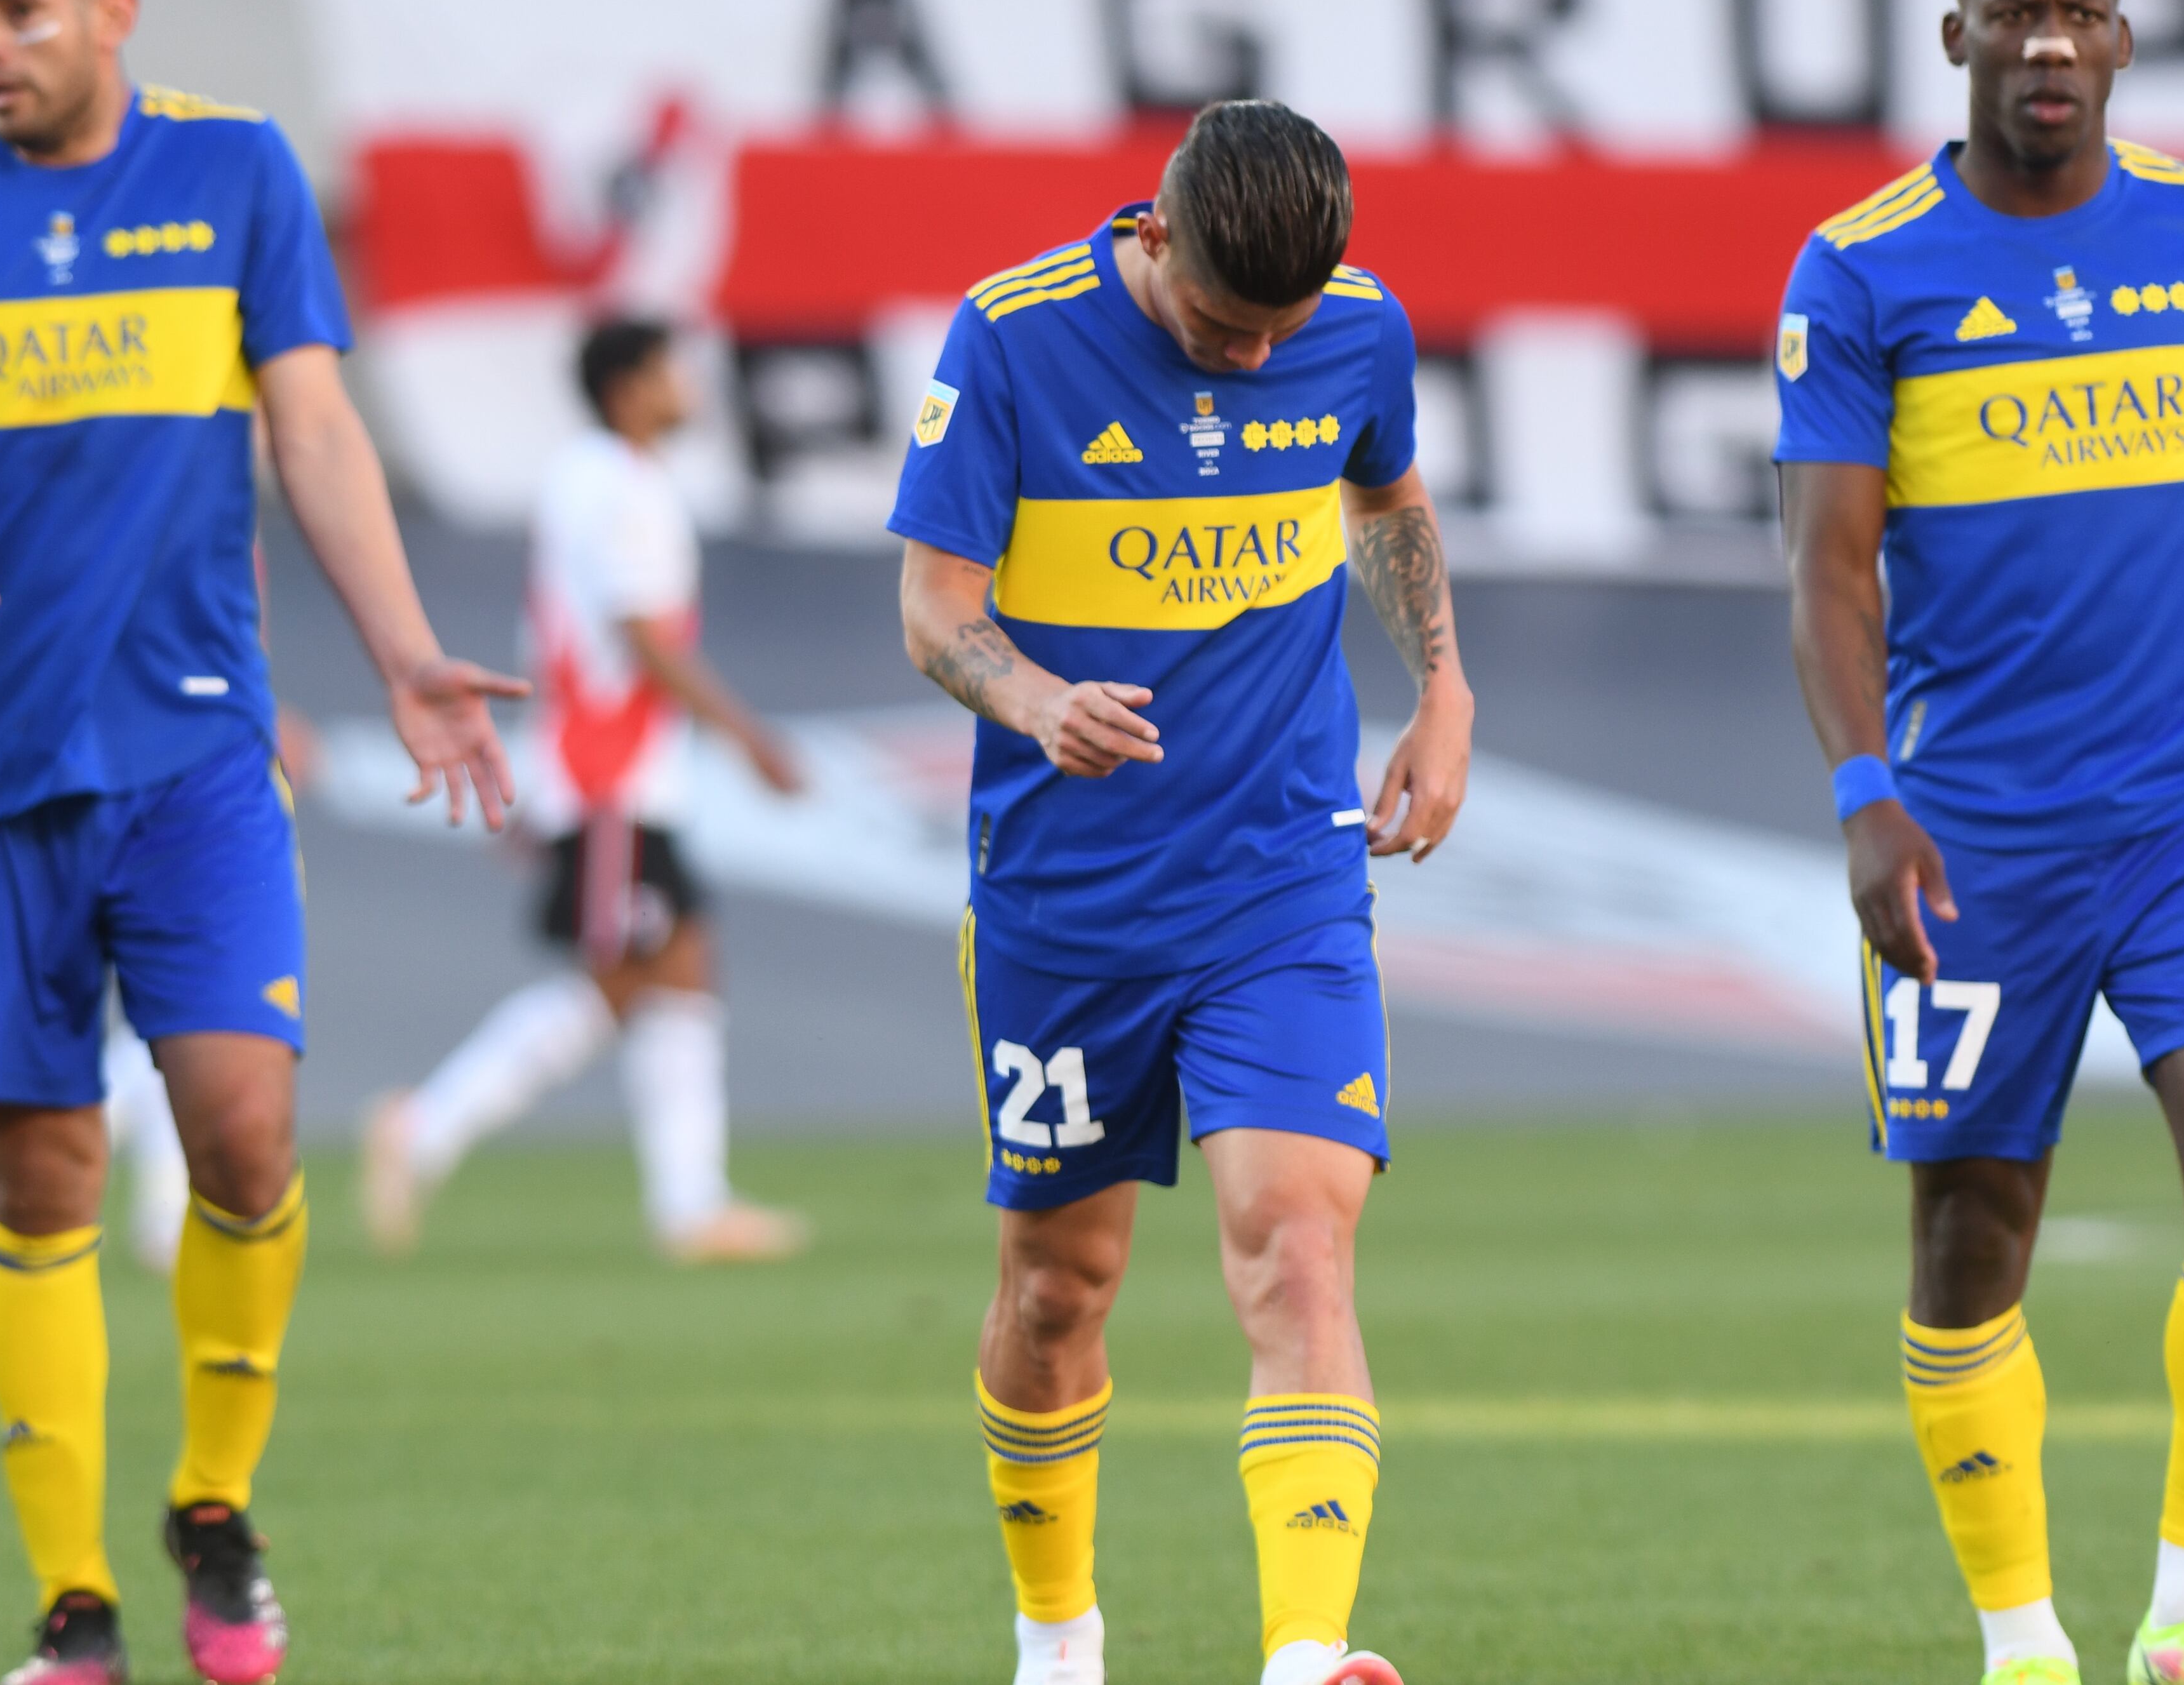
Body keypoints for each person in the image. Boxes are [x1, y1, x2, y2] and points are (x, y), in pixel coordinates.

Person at [0, 0, 523, 1685]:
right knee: (43, 1177)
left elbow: (312, 424)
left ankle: (213, 1501)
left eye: (20, 10)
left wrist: (404, 653)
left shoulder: (236, 172)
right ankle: (74, 1604)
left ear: (111, 11)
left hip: (198, 748)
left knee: (243, 1125)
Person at [1776, 0, 2184, 1685]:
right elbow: (1827, 565)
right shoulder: (1864, 267)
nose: (2048, 43)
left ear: (2123, 37)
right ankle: (2021, 1635)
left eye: (2079, 14)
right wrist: (1865, 789)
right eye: (2013, 15)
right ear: (1956, 39)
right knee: (1974, 1218)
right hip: (1972, 832)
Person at [888, 99, 1473, 1685]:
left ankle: (1305, 1650)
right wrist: (1030, 700)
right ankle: (1057, 1640)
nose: (1251, 362)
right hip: (1067, 906)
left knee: (1296, 1238)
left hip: (1280, 879)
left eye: (1277, 332)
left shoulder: (1352, 333)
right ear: (1155, 234)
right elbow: (935, 608)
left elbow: (1388, 501)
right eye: (1223, 326)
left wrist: (1441, 686)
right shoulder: (1009, 340)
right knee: (1057, 1284)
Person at [360, 321, 811, 1263]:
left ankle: (690, 1203)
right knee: (623, 982)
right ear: (626, 388)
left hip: (606, 774)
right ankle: (428, 1126)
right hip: (610, 779)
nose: (685, 386)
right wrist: (751, 740)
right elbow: (643, 634)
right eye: (667, 372)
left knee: (677, 965)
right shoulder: (618, 488)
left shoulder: (590, 480)